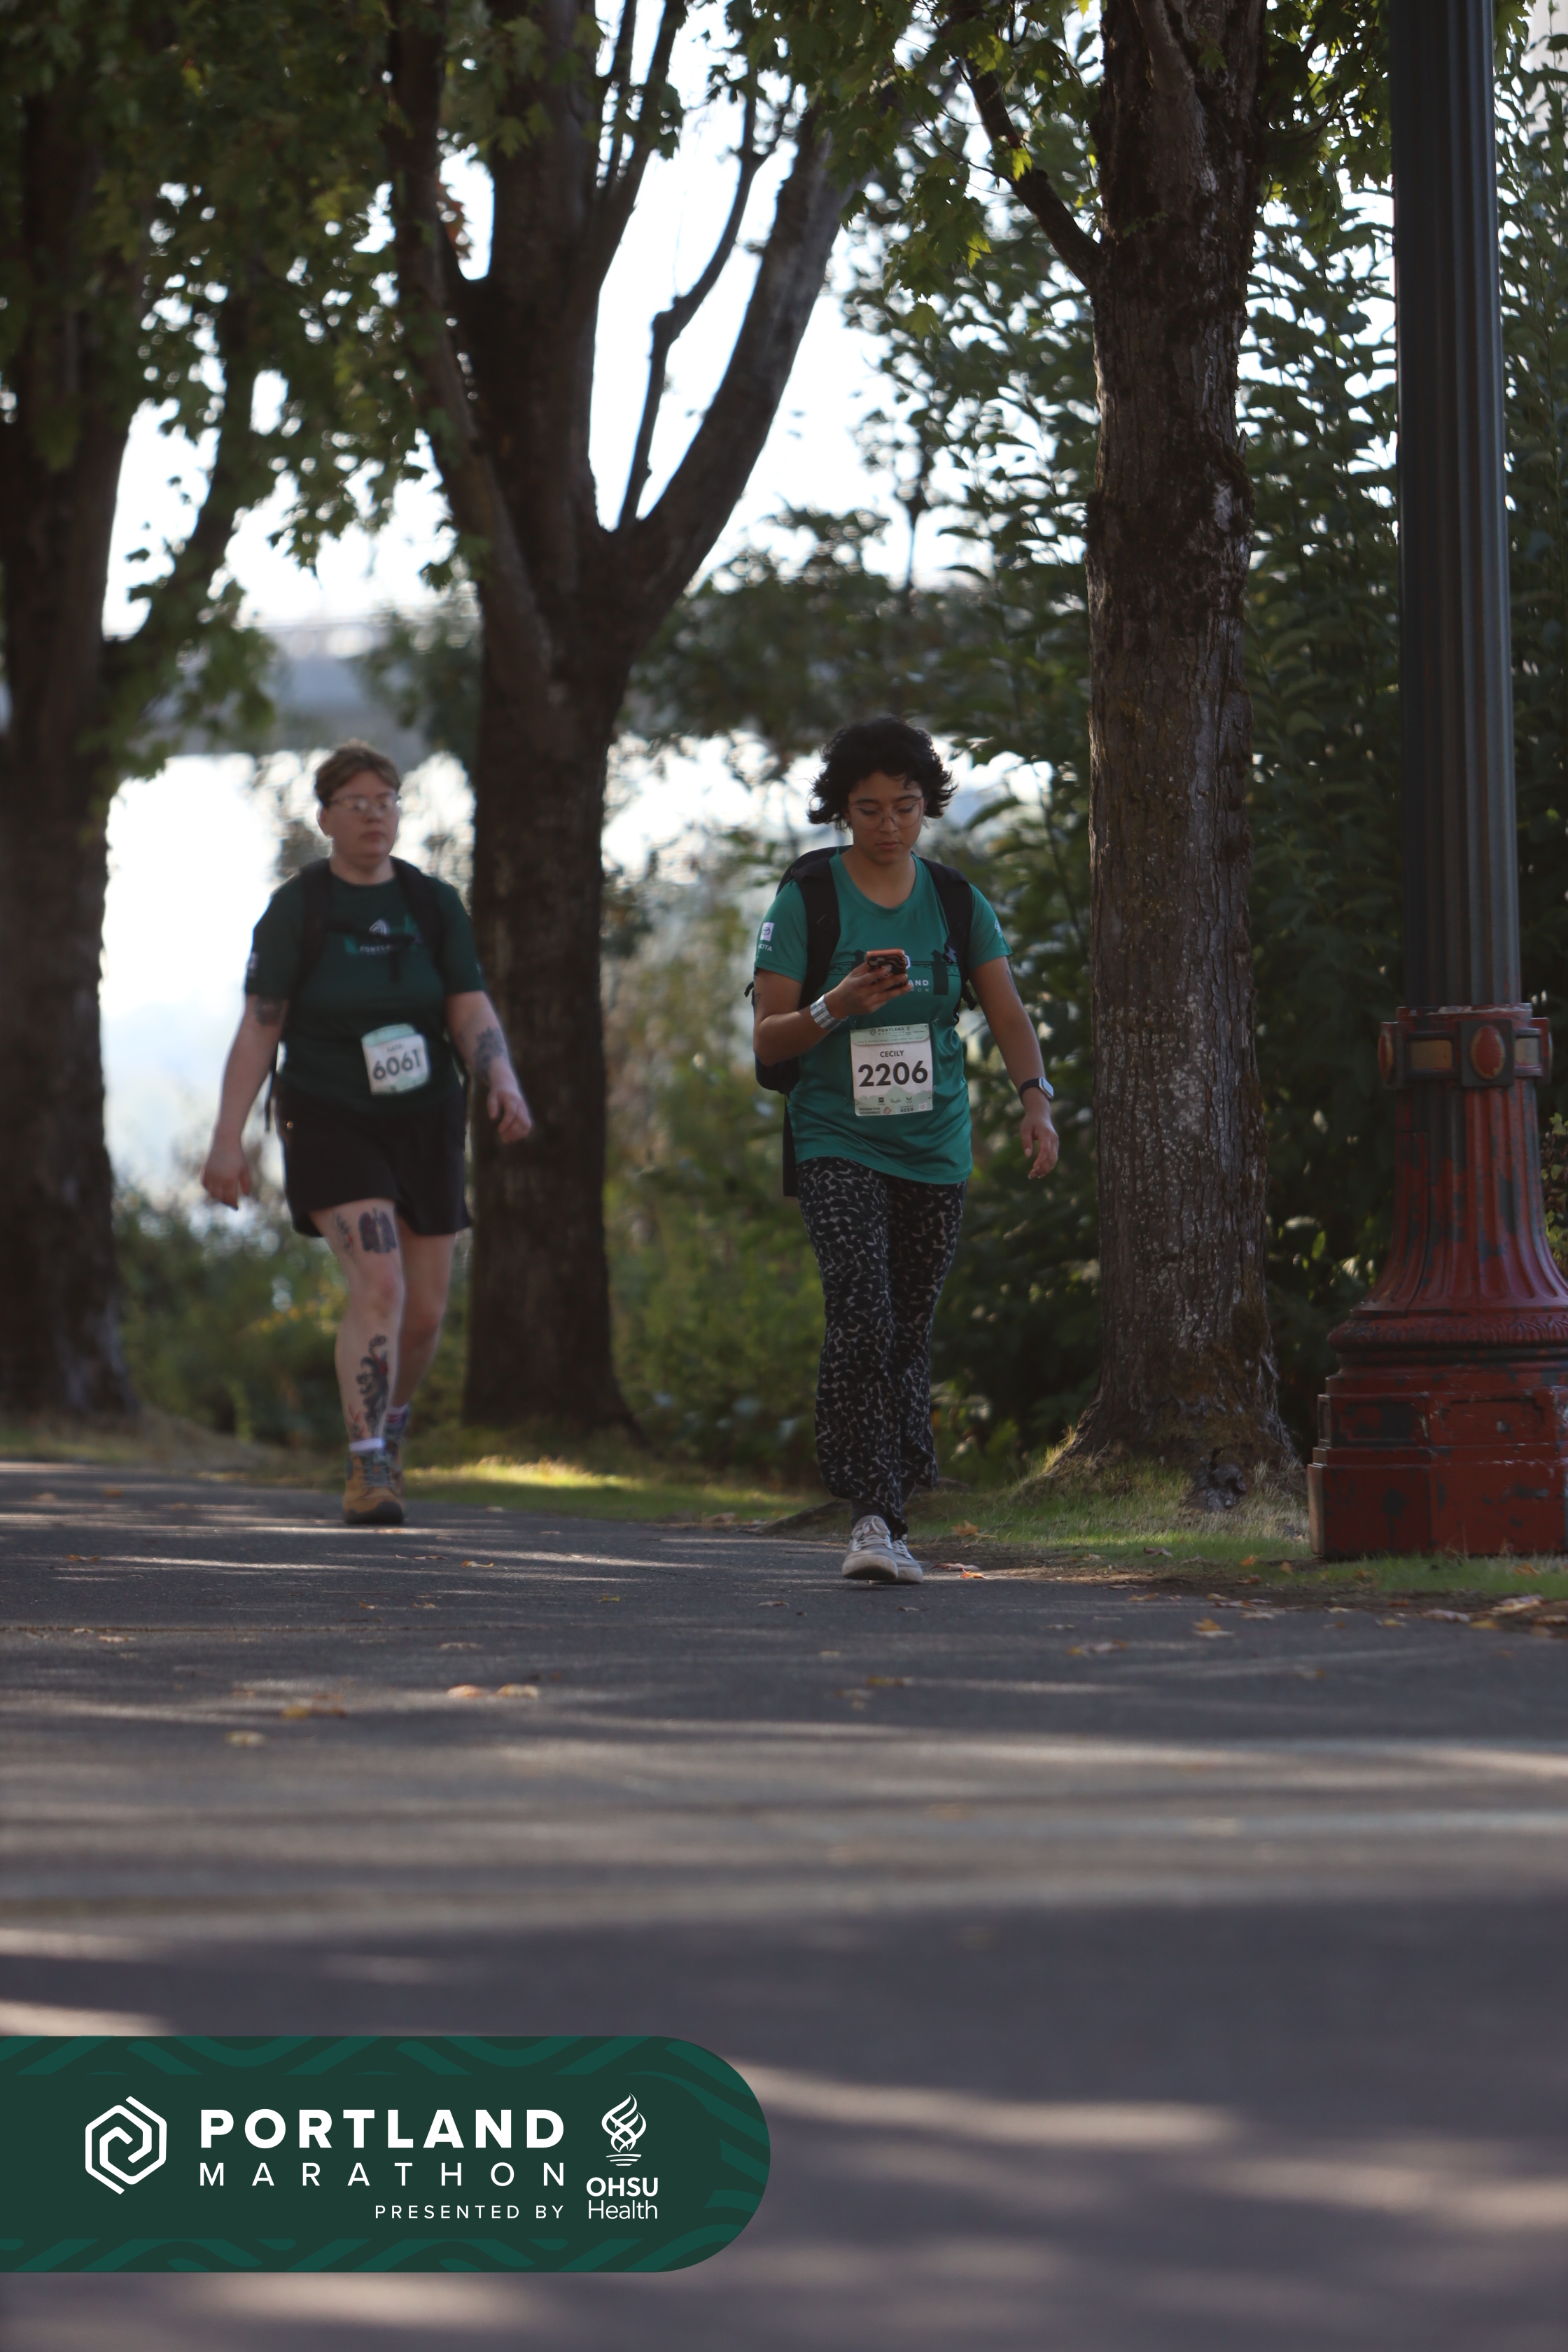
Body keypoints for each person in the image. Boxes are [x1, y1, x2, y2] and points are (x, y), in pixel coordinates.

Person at [752, 717, 1059, 1584]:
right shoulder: (806, 900)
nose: (888, 824)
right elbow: (768, 1039)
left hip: (932, 1145)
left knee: (906, 1328)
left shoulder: (956, 902)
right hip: (834, 1137)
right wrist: (837, 1004)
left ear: (927, 806)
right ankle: (872, 1516)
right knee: (862, 1312)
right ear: (841, 811)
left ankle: (893, 1497)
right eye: (868, 809)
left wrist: (1035, 1103)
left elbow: (1006, 1015)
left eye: (905, 806)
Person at [200, 743, 531, 1527]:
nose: (375, 815)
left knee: (424, 1313)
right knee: (380, 1284)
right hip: (329, 1113)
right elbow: (261, 1024)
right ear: (325, 818)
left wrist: (502, 1079)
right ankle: (367, 1463)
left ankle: (390, 1423)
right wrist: (227, 1138)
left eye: (386, 801)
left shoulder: (431, 904)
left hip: (425, 1115)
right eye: (357, 803)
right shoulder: (299, 909)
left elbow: (466, 1005)